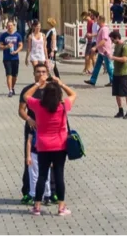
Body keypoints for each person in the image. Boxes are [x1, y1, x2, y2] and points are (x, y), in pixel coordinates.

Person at [25, 76, 77, 216]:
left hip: (43, 145)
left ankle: (37, 207)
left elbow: (26, 96)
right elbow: (73, 94)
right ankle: (61, 207)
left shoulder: (38, 105)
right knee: (59, 175)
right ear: (59, 94)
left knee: (42, 175)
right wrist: (61, 83)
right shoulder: (63, 106)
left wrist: (38, 83)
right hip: (60, 145)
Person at [18, 62, 57, 205]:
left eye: (43, 72)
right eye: (38, 72)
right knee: (30, 161)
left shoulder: (52, 89)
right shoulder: (28, 90)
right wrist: (28, 119)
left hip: (49, 130)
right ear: (34, 74)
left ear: (47, 74)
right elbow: (21, 110)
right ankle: (28, 191)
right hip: (33, 130)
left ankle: (52, 192)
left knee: (52, 162)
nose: (41, 74)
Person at [108, 30, 127, 118]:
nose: (111, 42)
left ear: (116, 38)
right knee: (117, 92)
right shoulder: (116, 46)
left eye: (112, 40)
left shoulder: (124, 46)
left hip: (123, 73)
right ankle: (120, 110)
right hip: (116, 72)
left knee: (126, 92)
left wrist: (113, 57)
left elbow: (124, 59)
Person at [0, 20, 24, 97]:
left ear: (13, 26)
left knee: (14, 75)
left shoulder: (17, 35)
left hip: (15, 58)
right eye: (8, 26)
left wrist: (16, 51)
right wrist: (6, 46)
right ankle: (10, 90)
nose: (10, 27)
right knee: (8, 74)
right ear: (6, 27)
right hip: (7, 58)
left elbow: (21, 45)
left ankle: (12, 87)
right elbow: (0, 46)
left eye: (11, 25)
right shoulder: (3, 35)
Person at [85, 22, 114, 87]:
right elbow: (98, 35)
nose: (97, 22)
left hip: (105, 51)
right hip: (101, 51)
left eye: (98, 20)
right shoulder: (101, 28)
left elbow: (104, 40)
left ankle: (113, 81)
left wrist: (95, 47)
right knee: (97, 66)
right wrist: (91, 35)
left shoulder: (104, 29)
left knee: (109, 66)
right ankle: (93, 80)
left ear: (101, 20)